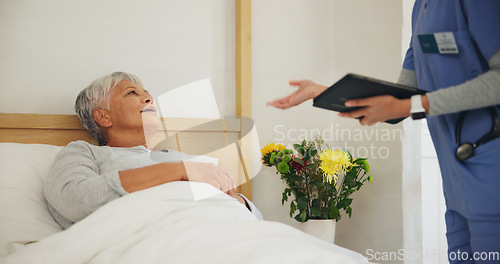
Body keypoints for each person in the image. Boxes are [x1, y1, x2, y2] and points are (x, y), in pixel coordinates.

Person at [269, 1, 500, 263]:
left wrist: (411, 105)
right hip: (457, 188)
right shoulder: (421, 8)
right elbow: (402, 97)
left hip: (490, 181)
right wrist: (324, 92)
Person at [44, 72, 262, 229]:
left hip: (228, 234)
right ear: (103, 117)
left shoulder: (186, 159)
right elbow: (72, 200)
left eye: (148, 93)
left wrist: (237, 200)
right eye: (132, 93)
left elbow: (256, 219)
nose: (149, 98)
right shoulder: (85, 152)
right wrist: (179, 171)